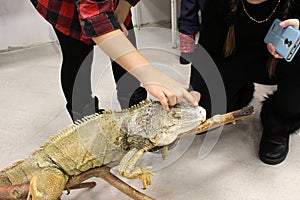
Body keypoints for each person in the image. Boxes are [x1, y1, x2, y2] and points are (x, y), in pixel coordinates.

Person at [29, 0, 200, 122]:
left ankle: (137, 118)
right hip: (63, 4)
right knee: (77, 55)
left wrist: (124, 5)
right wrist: (151, 74)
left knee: (126, 44)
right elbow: (95, 18)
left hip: (106, 3)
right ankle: (85, 123)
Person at [184, 0, 300, 165]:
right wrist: (196, 89)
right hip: (235, 57)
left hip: (283, 63)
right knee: (205, 111)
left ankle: (279, 123)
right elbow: (208, 46)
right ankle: (239, 93)